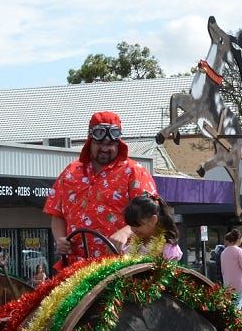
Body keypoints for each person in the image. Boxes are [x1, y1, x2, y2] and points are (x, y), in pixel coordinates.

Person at [45, 111, 158, 264]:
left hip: (119, 264)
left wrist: (125, 232)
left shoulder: (134, 172)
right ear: (90, 142)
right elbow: (57, 214)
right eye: (99, 143)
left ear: (118, 144)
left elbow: (150, 215)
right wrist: (60, 239)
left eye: (110, 144)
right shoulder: (71, 172)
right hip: (74, 266)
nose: (105, 148)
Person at [123, 194, 183, 261]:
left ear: (153, 220)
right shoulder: (131, 245)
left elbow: (171, 270)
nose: (133, 229)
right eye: (131, 225)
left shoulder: (168, 247)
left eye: (138, 225)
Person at [220, 229, 242, 310]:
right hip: (239, 284)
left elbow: (222, 269)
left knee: (229, 306)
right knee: (237, 307)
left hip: (228, 283)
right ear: (239, 239)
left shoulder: (224, 252)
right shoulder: (239, 251)